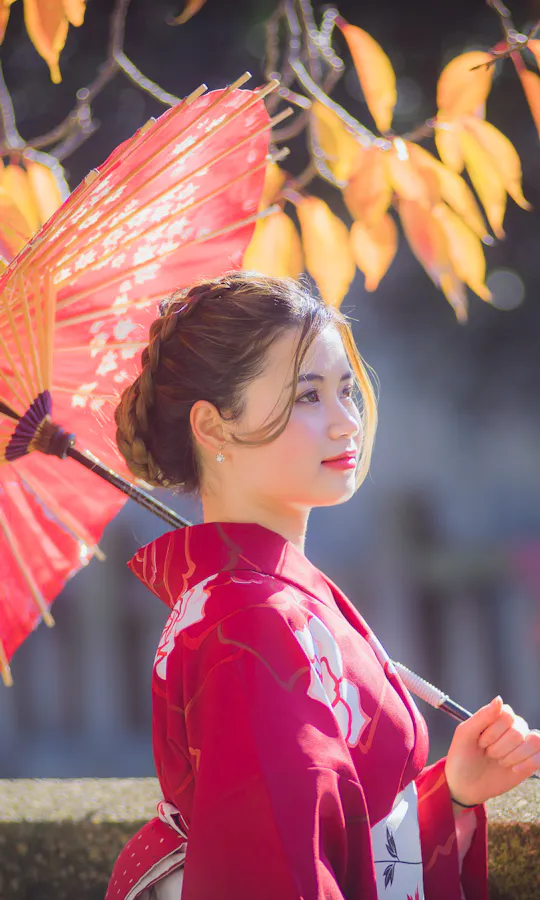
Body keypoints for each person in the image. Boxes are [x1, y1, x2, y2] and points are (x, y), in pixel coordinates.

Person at [106, 272, 539, 900]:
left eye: (346, 391)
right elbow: (280, 871)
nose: (345, 424)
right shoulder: (251, 621)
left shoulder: (257, 599)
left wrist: (457, 789)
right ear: (213, 428)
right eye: (308, 396)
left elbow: (335, 836)